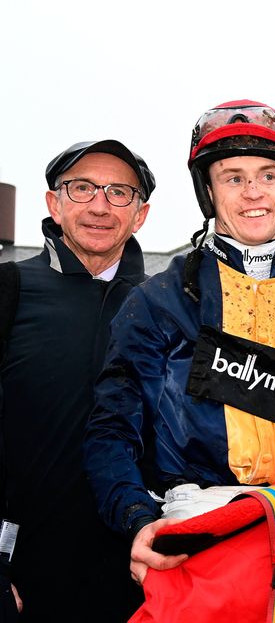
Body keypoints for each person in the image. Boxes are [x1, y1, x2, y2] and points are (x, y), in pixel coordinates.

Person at [83, 100, 275, 585]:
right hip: (193, 542)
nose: (253, 192)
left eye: (267, 175)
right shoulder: (157, 303)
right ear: (209, 192)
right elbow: (111, 431)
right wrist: (137, 518)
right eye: (233, 178)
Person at [0, 140, 154, 621]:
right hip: (22, 572)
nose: (100, 206)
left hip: (135, 573)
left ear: (140, 215)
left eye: (119, 193)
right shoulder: (10, 289)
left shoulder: (165, 308)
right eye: (82, 188)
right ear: (54, 203)